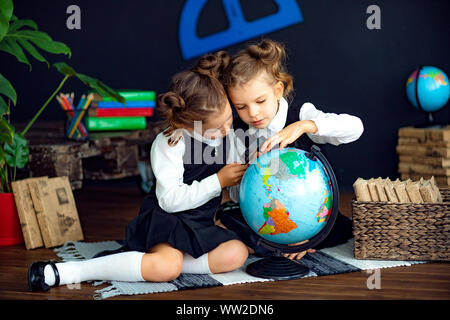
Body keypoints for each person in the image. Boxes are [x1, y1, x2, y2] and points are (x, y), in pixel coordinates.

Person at [28, 52, 250, 292]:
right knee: (167, 268)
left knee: (236, 253)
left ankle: (159, 264)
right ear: (187, 124)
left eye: (229, 119)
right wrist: (218, 181)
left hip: (200, 223)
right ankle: (70, 271)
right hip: (169, 221)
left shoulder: (228, 138)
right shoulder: (171, 142)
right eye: (218, 128)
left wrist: (243, 180)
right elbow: (170, 201)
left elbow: (233, 191)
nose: (227, 130)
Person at [217, 39, 364, 260]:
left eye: (260, 101)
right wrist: (248, 173)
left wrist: (305, 126)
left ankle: (296, 241)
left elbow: (356, 128)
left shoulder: (300, 115)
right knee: (225, 215)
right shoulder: (239, 134)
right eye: (241, 107)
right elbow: (241, 198)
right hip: (266, 218)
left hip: (315, 217)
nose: (253, 113)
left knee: (329, 229)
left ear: (278, 90)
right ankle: (271, 243)